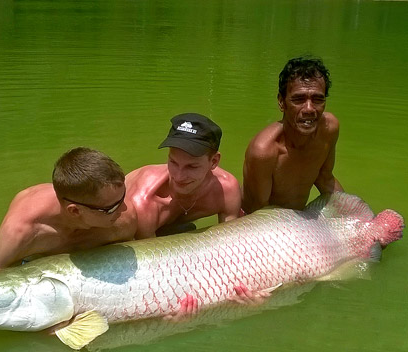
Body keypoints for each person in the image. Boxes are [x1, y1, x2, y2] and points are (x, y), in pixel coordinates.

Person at [0, 147, 136, 274]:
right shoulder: (21, 231)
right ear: (75, 211)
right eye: (112, 208)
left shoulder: (123, 220)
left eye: (123, 197)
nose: (125, 208)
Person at [241, 56, 344, 214]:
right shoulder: (264, 151)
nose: (309, 108)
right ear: (282, 102)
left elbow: (325, 178)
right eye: (298, 99)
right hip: (260, 224)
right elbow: (258, 212)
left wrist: (355, 215)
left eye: (317, 99)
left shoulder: (329, 129)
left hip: (297, 222)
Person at [125, 113, 241, 239]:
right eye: (173, 162)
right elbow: (150, 253)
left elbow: (230, 239)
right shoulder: (144, 203)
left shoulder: (226, 190)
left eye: (191, 167)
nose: (178, 177)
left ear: (214, 161)